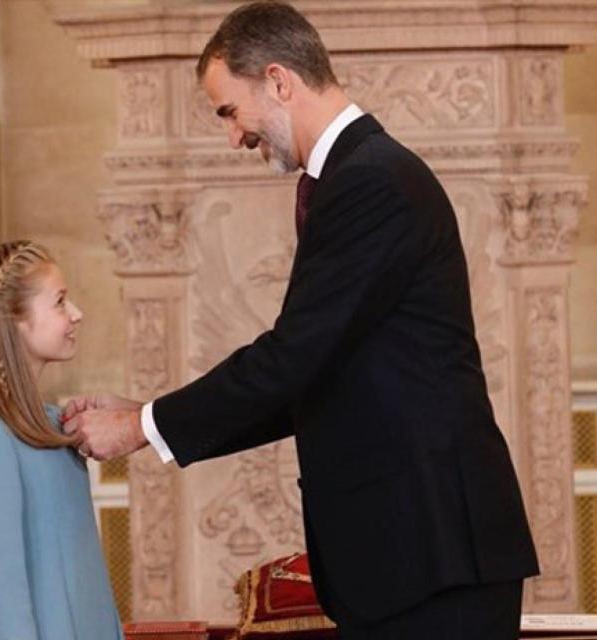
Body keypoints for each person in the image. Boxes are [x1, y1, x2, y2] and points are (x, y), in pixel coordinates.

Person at [63, 2, 539, 639]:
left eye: (230, 111)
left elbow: (290, 359)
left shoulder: (371, 181)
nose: (233, 137)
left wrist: (138, 427)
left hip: (433, 550)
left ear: (279, 81)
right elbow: (310, 376)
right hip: (412, 554)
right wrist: (148, 417)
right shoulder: (355, 175)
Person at [0, 241, 124, 640]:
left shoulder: (57, 427)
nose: (77, 314)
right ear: (13, 321)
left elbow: (88, 584)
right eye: (59, 302)